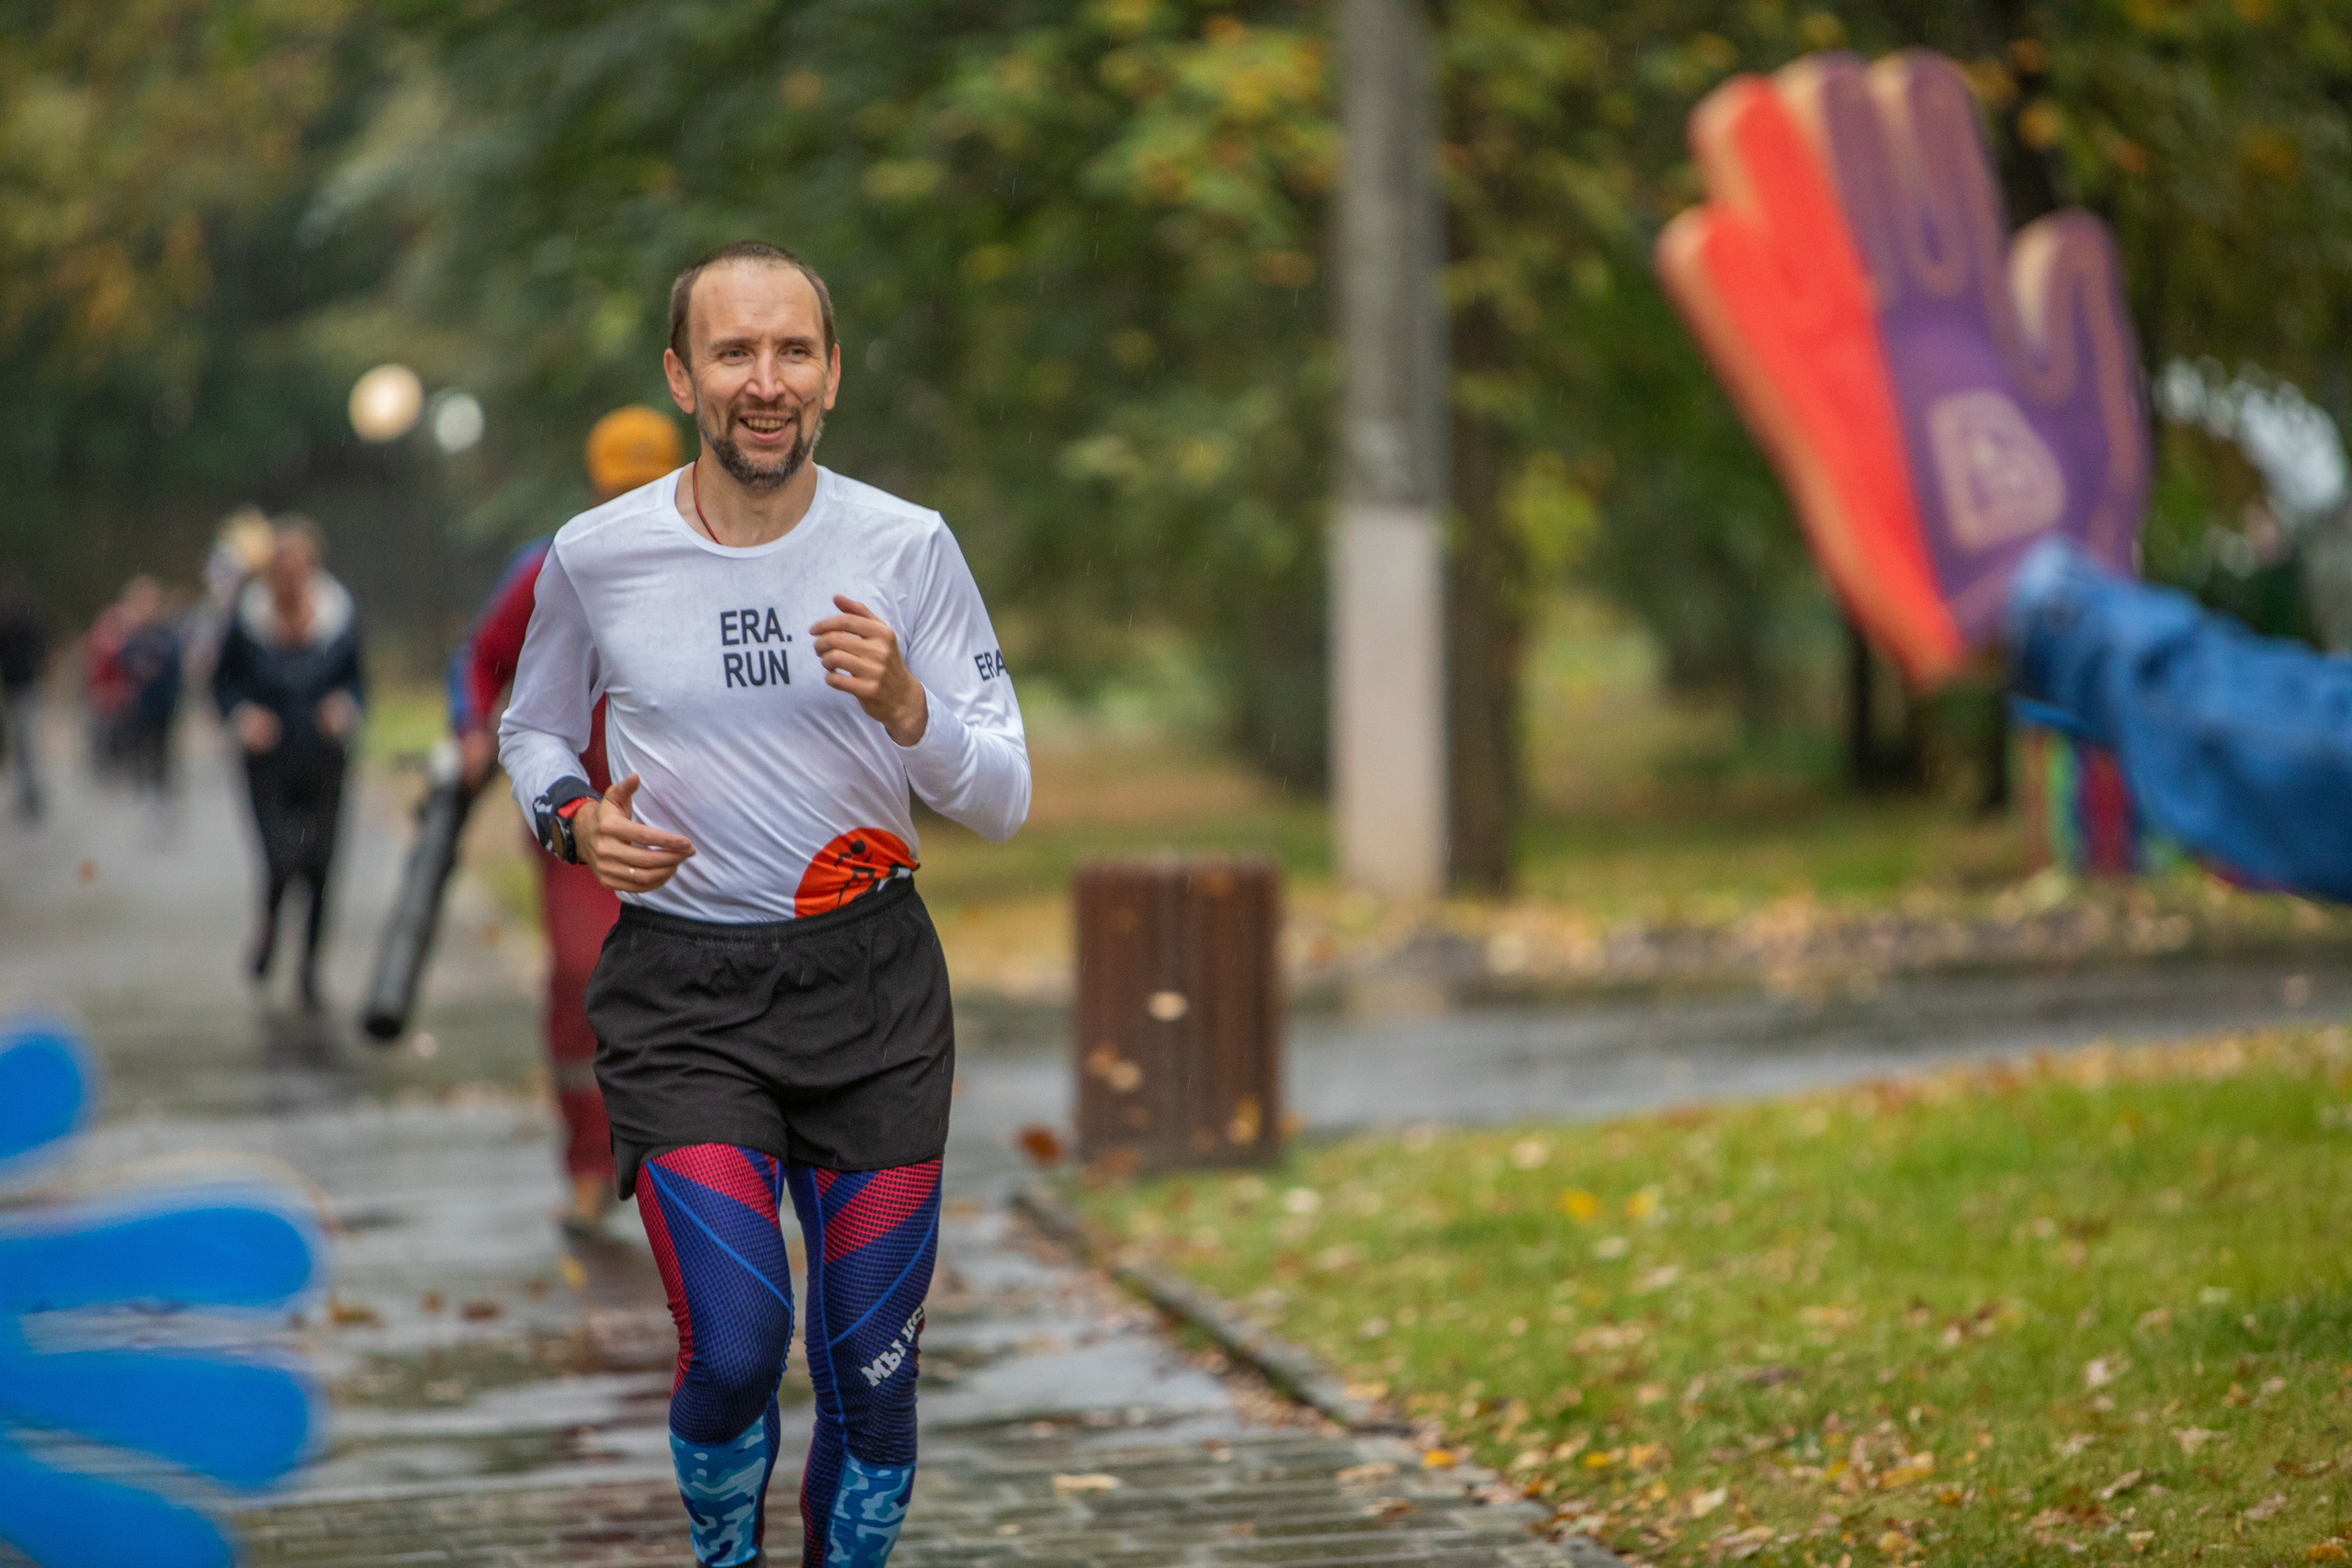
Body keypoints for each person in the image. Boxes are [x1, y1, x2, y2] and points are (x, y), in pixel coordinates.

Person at [498, 242, 1028, 1568]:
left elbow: (1006, 789)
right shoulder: (598, 556)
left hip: (875, 991)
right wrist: (576, 822)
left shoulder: (905, 545)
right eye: (734, 352)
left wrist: (910, 707)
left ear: (833, 373)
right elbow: (532, 727)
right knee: (736, 1349)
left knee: (873, 1375)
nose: (765, 380)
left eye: (793, 350)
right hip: (685, 995)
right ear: (684, 376)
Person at [447, 404, 684, 1237]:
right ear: (594, 489)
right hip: (581, 822)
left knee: (697, 989)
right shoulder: (553, 567)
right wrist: (473, 728)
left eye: (650, 489)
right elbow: (481, 655)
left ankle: (694, 1163)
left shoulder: (716, 563)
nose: (633, 506)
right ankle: (589, 1163)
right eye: (621, 490)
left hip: (692, 818)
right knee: (585, 979)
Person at [213, 518, 367, 1010]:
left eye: (300, 566)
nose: (291, 575)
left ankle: (308, 970)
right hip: (267, 760)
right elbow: (222, 682)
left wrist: (346, 706)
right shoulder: (247, 620)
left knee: (321, 865)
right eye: (282, 566)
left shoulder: (340, 618)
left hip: (324, 757)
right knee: (281, 860)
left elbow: (359, 681)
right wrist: (241, 715)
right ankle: (270, 932)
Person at [0, 570, 48, 823]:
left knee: (24, 741)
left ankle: (30, 790)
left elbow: (43, 653)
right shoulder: (12, 623)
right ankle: (27, 790)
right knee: (21, 743)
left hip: (26, 688)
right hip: (15, 688)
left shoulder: (28, 622)